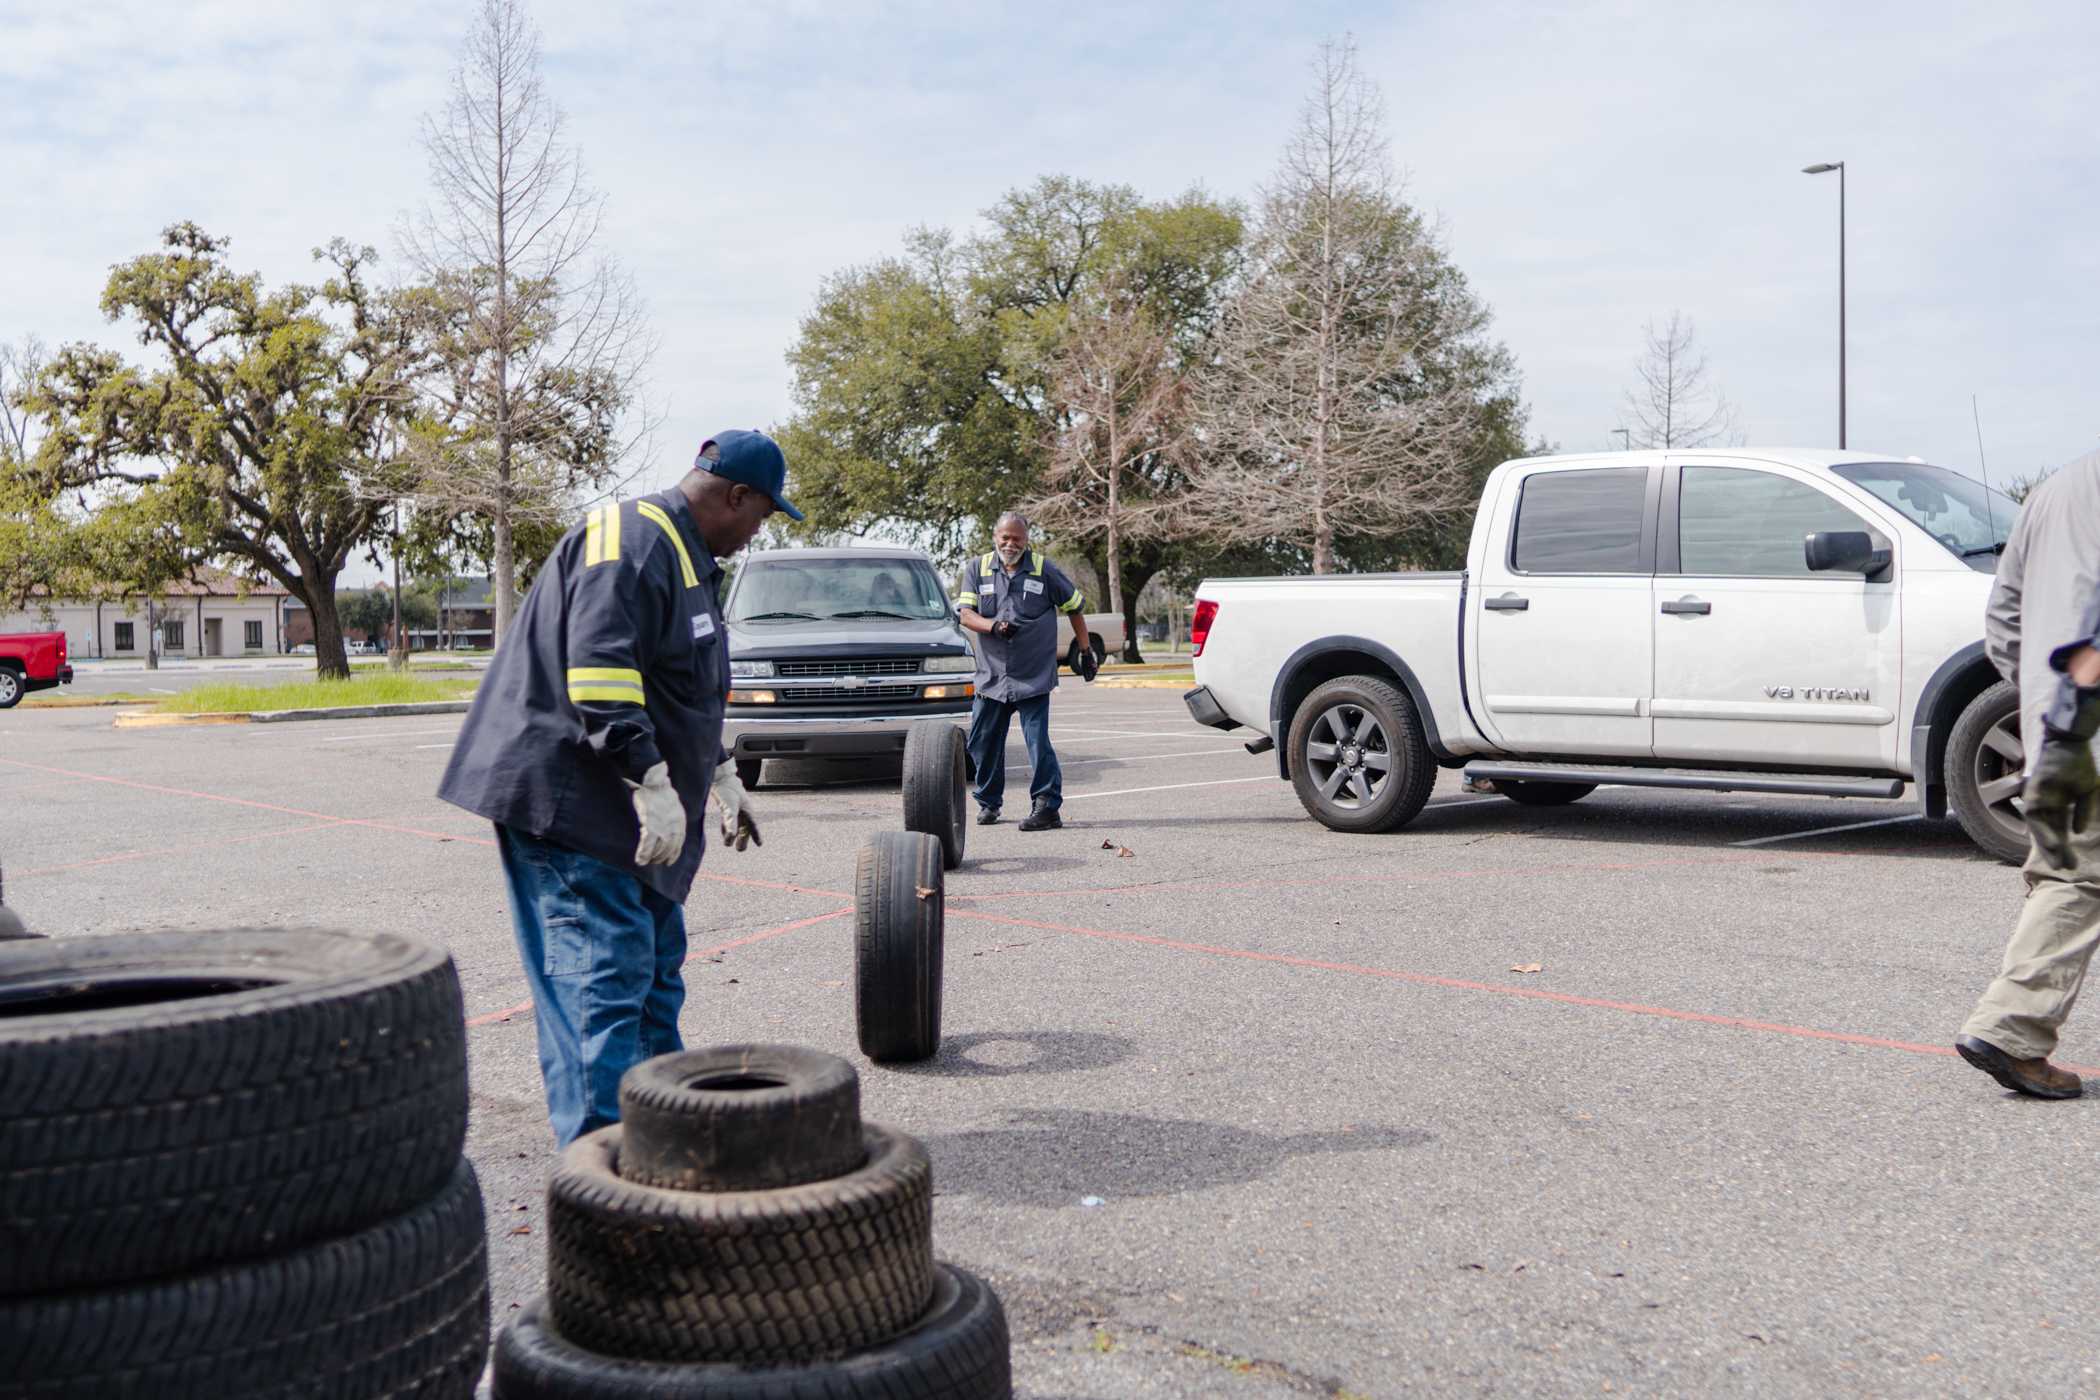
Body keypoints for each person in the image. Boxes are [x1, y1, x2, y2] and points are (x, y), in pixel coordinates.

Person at [438, 430, 799, 1144]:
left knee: (654, 974)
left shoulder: (688, 561)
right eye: (761, 515)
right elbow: (600, 666)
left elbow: (677, 679)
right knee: (603, 981)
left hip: (627, 812)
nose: (759, 531)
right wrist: (651, 776)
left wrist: (719, 769)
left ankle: (659, 1136)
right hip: (576, 805)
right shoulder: (628, 538)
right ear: (735, 496)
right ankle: (603, 1171)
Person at [1955, 455, 2100, 1099]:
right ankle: (2011, 1027)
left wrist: (2045, 694)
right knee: (2077, 875)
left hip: (2059, 720)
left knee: (2068, 870)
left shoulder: (2054, 488)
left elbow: (2004, 617)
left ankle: (2014, 1025)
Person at [954, 511, 1096, 831]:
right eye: (1005, 537)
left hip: (1032, 675)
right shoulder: (977, 568)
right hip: (991, 675)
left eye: (1016, 538)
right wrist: (993, 626)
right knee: (981, 741)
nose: (1010, 543)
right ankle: (989, 802)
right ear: (995, 537)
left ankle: (1047, 806)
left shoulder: (1044, 569)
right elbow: (965, 614)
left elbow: (1075, 607)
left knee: (1037, 742)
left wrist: (1086, 652)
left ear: (1026, 539)